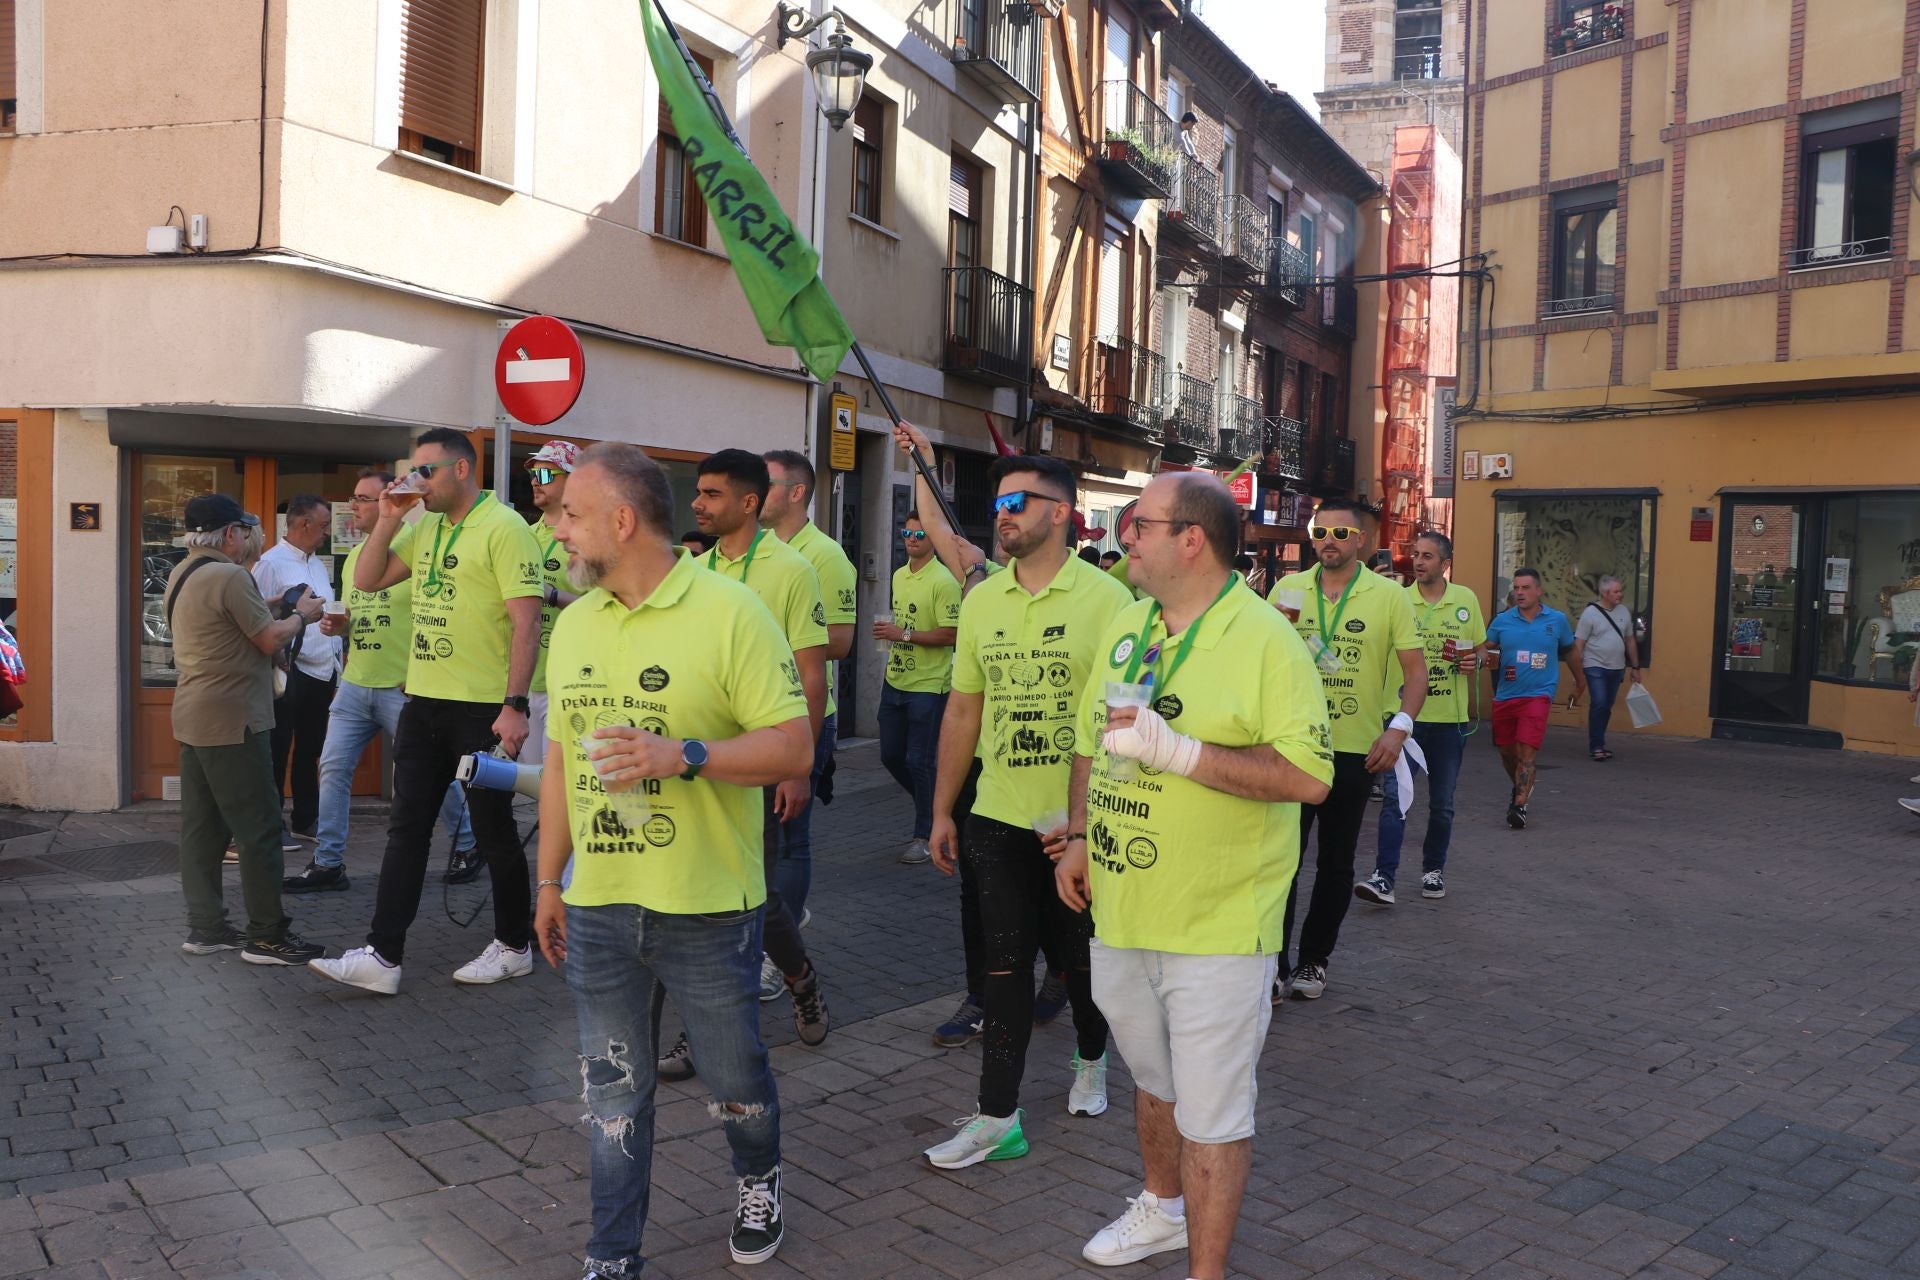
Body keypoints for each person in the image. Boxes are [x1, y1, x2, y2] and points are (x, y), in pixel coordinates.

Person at [534, 443, 813, 1275]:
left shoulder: (731, 613)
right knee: (614, 1093)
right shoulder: (576, 620)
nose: (559, 535)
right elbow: (560, 762)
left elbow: (795, 747)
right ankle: (612, 1257)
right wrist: (550, 879)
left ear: (623, 521)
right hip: (600, 906)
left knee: (735, 1077)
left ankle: (758, 1178)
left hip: (708, 905)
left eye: (571, 516)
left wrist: (684, 754)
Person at [1057, 473, 1332, 1278]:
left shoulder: (1264, 639)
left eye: (1138, 523)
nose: (1123, 535)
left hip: (1217, 923)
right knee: (1152, 1079)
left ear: (1192, 540)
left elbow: (1310, 776)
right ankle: (1162, 1209)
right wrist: (1077, 834)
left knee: (1211, 1114)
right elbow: (1090, 740)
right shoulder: (1130, 624)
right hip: (1124, 905)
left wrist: (1179, 752)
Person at [921, 452, 1132, 1170]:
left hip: (1078, 826)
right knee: (1004, 967)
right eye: (999, 502)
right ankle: (997, 1116)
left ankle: (1091, 1058)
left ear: (1061, 514)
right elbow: (964, 709)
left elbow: (1120, 725)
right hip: (1000, 815)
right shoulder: (981, 601)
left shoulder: (1110, 604)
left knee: (1080, 959)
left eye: (1018, 502)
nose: (1001, 514)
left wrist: (1084, 826)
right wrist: (943, 809)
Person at [310, 428, 544, 994]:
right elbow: (366, 579)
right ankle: (382, 955)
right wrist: (389, 515)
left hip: (483, 708)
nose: (417, 483)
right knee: (406, 828)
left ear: (463, 470)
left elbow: (527, 620)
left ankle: (515, 944)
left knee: (493, 832)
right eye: (412, 472)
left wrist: (514, 706)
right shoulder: (427, 525)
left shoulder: (505, 528)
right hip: (424, 700)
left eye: (427, 472)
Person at [691, 449, 831, 1044]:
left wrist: (801, 766)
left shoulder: (792, 569)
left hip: (767, 755)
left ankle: (799, 977)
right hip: (699, 757)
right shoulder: (694, 572)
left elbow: (812, 673)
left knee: (759, 896)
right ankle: (700, 1025)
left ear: (749, 503)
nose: (697, 504)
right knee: (696, 889)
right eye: (697, 492)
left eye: (712, 494)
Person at [287, 469, 473, 894]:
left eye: (363, 498)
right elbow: (356, 616)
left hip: (403, 688)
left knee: (431, 773)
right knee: (332, 767)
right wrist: (341, 628)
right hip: (356, 683)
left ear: (392, 503)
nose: (353, 506)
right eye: (353, 498)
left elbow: (441, 616)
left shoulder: (418, 548)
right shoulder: (356, 557)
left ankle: (467, 844)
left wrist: (424, 673)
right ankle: (328, 862)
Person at [1268, 498, 1424, 1001]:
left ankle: (1314, 962)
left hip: (1355, 750)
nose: (1327, 542)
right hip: (1289, 746)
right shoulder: (1286, 589)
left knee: (1335, 863)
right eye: (1320, 532)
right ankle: (1272, 963)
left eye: (1340, 533)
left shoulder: (1389, 597)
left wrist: (1397, 729)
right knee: (1279, 861)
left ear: (1361, 541)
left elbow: (1416, 673)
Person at [169, 494, 329, 965]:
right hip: (235, 718)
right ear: (232, 533)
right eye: (244, 530)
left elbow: (233, 617)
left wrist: (276, 601)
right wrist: (304, 616)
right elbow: (268, 637)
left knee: (202, 831)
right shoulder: (230, 574)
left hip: (194, 715)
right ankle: (267, 936)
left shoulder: (187, 570)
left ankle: (207, 929)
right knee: (259, 830)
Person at [1356, 530, 1484, 906]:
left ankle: (1433, 870)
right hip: (1403, 720)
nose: (1418, 561)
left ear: (1445, 564)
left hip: (1449, 720)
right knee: (1396, 801)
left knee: (1442, 803)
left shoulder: (1466, 600)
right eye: (1415, 554)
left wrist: (1474, 661)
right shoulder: (1396, 598)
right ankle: (1384, 877)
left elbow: (1481, 652)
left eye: (1428, 556)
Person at [760, 449, 855, 910]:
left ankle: (788, 932)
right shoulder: (757, 550)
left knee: (790, 836)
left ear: (796, 493)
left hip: (806, 712)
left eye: (768, 482)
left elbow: (840, 641)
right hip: (754, 715)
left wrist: (784, 641)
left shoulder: (823, 554)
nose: (755, 490)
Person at [251, 494, 342, 845]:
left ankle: (306, 820)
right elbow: (256, 614)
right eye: (322, 526)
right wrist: (275, 656)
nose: (326, 533)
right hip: (290, 670)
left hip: (322, 672)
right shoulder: (270, 564)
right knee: (277, 750)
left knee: (310, 750)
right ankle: (273, 827)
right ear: (303, 524)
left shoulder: (316, 563)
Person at [875, 513, 960, 864]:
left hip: (929, 684)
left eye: (919, 533)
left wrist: (904, 634)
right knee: (890, 756)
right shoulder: (898, 574)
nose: (911, 538)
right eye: (906, 532)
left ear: (933, 539)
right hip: (895, 678)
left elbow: (952, 634)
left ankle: (924, 835)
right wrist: (893, 634)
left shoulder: (943, 580)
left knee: (919, 761)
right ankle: (939, 808)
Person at [1483, 566, 1584, 828]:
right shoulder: (1502, 620)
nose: (1520, 592)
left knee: (1527, 752)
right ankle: (1520, 786)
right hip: (1506, 695)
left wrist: (1580, 683)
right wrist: (1472, 656)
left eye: (1525, 588)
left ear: (1538, 591)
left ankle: (1519, 805)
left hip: (1539, 695)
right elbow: (1486, 648)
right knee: (1506, 752)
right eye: (1516, 588)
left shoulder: (1557, 620)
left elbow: (1571, 651)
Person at [525, 441, 585, 768]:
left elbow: (608, 610)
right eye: (534, 474)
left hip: (566, 680)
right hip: (521, 680)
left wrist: (550, 595)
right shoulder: (523, 534)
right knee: (525, 789)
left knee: (557, 784)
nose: (536, 480)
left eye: (547, 473)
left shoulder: (586, 535)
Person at [1572, 574, 1641, 761]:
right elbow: (1579, 644)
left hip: (1617, 667)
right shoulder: (1590, 614)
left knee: (1606, 706)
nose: (1620, 594)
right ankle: (1596, 746)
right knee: (1600, 702)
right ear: (1604, 593)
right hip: (1594, 666)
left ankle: (1599, 742)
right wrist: (1577, 672)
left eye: (1620, 590)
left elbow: (1630, 640)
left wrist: (1635, 667)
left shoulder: (1624, 612)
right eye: (1616, 591)